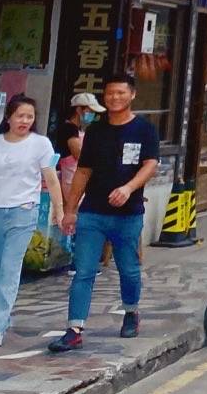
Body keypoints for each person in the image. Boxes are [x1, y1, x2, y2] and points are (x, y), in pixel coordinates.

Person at [51, 72, 160, 353]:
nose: (115, 98)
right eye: (110, 93)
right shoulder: (96, 131)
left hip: (128, 213)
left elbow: (150, 165)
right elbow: (83, 171)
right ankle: (75, 328)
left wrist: (129, 187)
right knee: (84, 270)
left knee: (129, 269)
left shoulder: (144, 129)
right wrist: (70, 210)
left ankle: (131, 312)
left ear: (132, 95)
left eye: (121, 93)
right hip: (93, 213)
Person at [0, 95, 63, 348]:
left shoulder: (42, 144)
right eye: (20, 116)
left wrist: (60, 209)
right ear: (9, 117)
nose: (25, 121)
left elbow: (51, 179)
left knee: (10, 266)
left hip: (24, 210)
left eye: (30, 117)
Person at [52, 92, 98, 195]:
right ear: (78, 110)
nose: (92, 114)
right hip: (71, 180)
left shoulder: (77, 129)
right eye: (90, 111)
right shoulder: (69, 129)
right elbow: (79, 155)